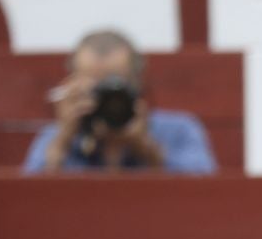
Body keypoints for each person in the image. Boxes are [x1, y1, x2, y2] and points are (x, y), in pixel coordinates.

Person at [23, 29, 216, 174]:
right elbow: (25, 198)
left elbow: (205, 191)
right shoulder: (58, 136)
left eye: (113, 87)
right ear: (72, 85)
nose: (103, 100)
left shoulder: (179, 130)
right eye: (93, 89)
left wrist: (147, 150)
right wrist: (63, 140)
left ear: (137, 82)